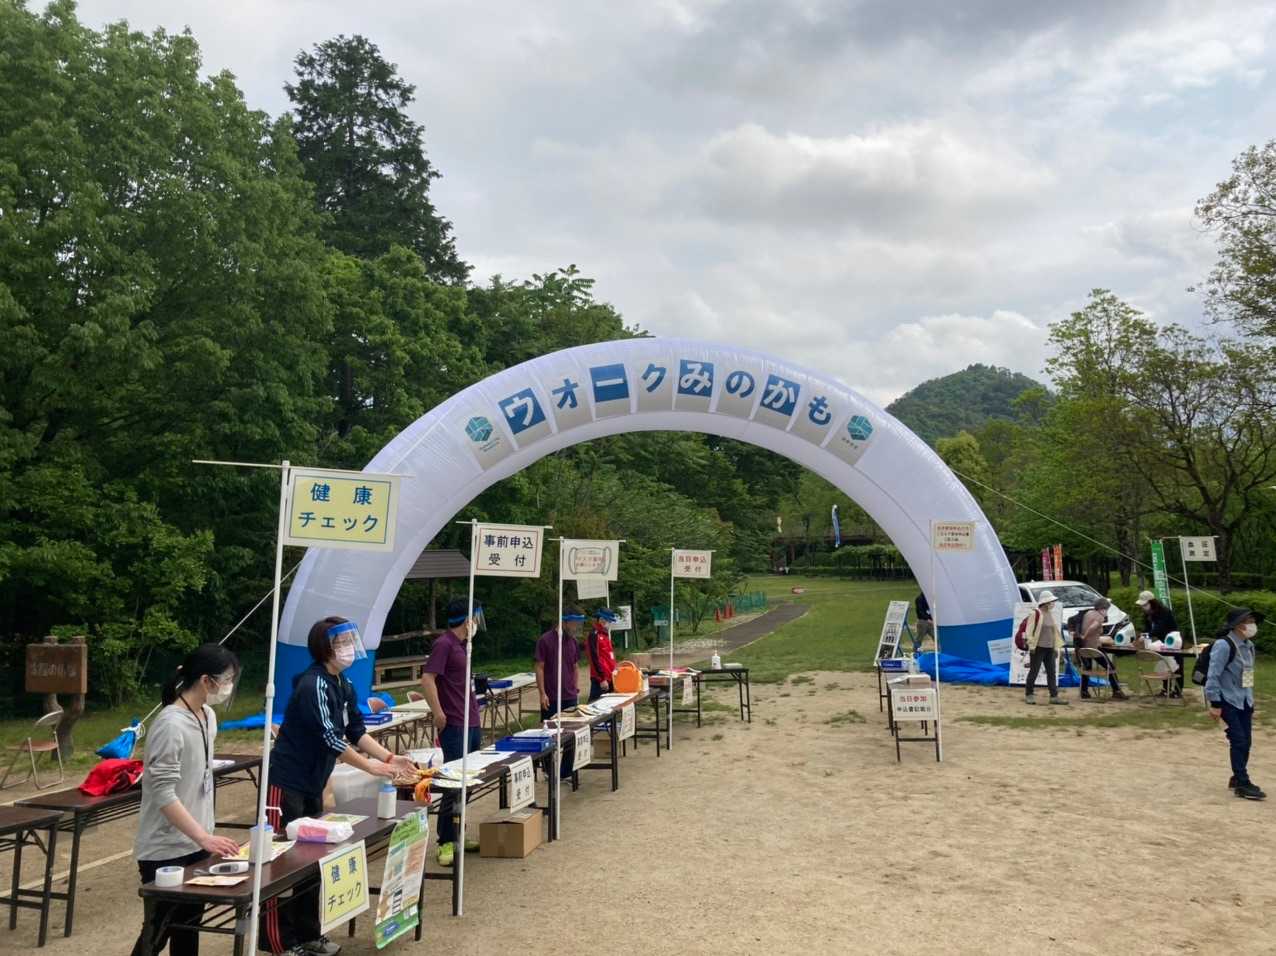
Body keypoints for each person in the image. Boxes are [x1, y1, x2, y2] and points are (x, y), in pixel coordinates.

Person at [261, 618, 413, 956]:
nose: (348, 648)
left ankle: (308, 934)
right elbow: (329, 737)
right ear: (325, 647)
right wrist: (370, 766)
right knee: (278, 863)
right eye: (341, 642)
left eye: (349, 640)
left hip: (313, 783)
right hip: (286, 782)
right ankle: (278, 943)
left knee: (312, 859)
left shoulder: (343, 683)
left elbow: (356, 731)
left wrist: (390, 758)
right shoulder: (313, 684)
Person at [132, 645, 243, 956]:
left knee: (189, 927)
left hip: (197, 842)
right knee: (158, 931)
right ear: (206, 681)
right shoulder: (170, 724)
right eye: (226, 679)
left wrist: (204, 837)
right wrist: (203, 837)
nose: (229, 686)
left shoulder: (207, 716)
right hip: (165, 847)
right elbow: (162, 792)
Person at [418, 599, 484, 866]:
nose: (476, 623)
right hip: (454, 722)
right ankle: (445, 839)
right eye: (475, 617)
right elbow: (427, 678)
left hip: (471, 720)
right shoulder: (444, 644)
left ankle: (458, 832)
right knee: (453, 783)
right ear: (466, 619)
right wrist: (438, 712)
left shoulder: (463, 645)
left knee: (469, 780)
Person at [1206, 607, 1265, 801]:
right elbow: (1213, 675)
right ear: (1238, 625)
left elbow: (1247, 674)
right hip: (1227, 700)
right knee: (1238, 740)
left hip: (1244, 699)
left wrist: (1250, 700)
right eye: (1249, 621)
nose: (1252, 625)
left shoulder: (1249, 645)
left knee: (1246, 741)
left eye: (1253, 621)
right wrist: (1215, 703)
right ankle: (1242, 782)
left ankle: (1236, 776)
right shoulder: (1224, 645)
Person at [536, 606, 584, 779]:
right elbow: (539, 667)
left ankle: (566, 771)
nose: (576, 627)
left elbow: (575, 666)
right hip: (551, 695)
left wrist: (575, 686)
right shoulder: (545, 640)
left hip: (569, 695)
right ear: (564, 621)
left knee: (572, 734)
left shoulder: (572, 642)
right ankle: (548, 770)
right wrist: (542, 693)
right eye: (574, 623)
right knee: (549, 734)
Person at [1078, 598, 1129, 701]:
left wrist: (1084, 638)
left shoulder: (1088, 613)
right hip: (1094, 649)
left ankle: (1084, 691)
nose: (1107, 612)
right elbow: (1092, 627)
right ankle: (1117, 691)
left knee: (1087, 668)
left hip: (1084, 648)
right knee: (1111, 667)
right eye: (1106, 609)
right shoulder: (1099, 617)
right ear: (1102, 609)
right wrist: (1085, 636)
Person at [1022, 591, 1068, 706]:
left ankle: (1054, 696)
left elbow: (1053, 633)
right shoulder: (1035, 613)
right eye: (1051, 601)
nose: (1053, 603)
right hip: (1038, 648)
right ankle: (1029, 694)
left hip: (1049, 648)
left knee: (1051, 672)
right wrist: (1031, 646)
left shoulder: (1049, 614)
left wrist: (1055, 648)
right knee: (1034, 671)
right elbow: (1029, 631)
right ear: (1045, 602)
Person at [1136, 590, 1183, 696]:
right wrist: (1144, 634)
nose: (1143, 608)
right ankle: (1165, 689)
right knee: (1164, 664)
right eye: (1142, 606)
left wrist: (1148, 635)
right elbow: (1148, 628)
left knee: (1177, 665)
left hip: (1174, 640)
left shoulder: (1164, 611)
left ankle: (1177, 691)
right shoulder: (1147, 614)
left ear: (1152, 602)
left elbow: (1159, 628)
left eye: (1145, 605)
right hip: (1162, 641)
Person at [586, 608, 618, 702]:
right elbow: (594, 658)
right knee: (594, 704)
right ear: (601, 620)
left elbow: (608, 656)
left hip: (610, 676)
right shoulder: (594, 635)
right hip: (600, 678)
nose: (610, 624)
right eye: (609, 621)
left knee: (609, 704)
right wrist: (602, 679)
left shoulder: (604, 634)